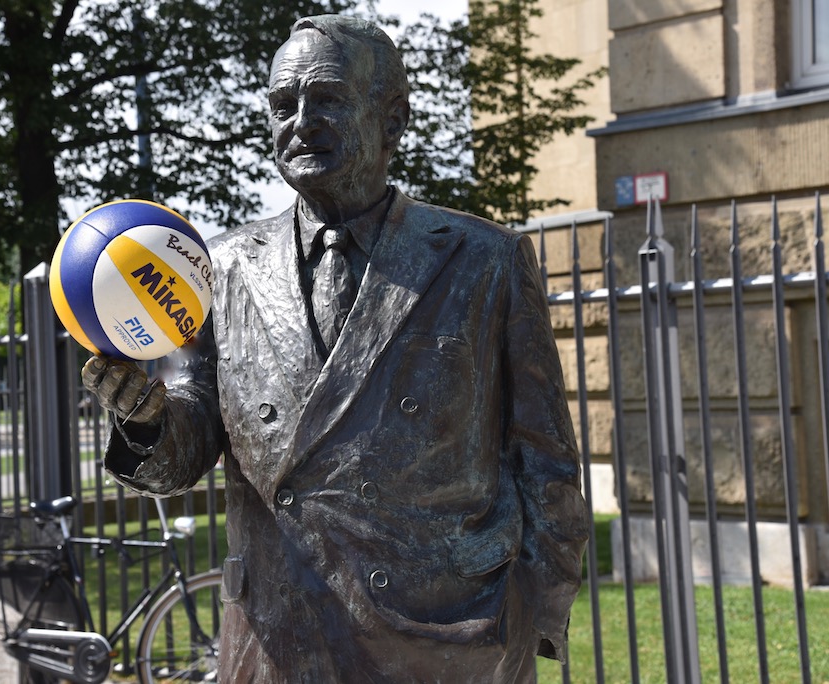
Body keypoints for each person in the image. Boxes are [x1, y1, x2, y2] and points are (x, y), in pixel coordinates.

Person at [83, 14, 588, 682]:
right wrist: (145, 421)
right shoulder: (222, 268)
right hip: (279, 639)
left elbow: (545, 462)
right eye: (281, 105)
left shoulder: (484, 259)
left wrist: (532, 618)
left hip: (444, 643)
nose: (300, 120)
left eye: (326, 99)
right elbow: (189, 437)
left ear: (393, 118)